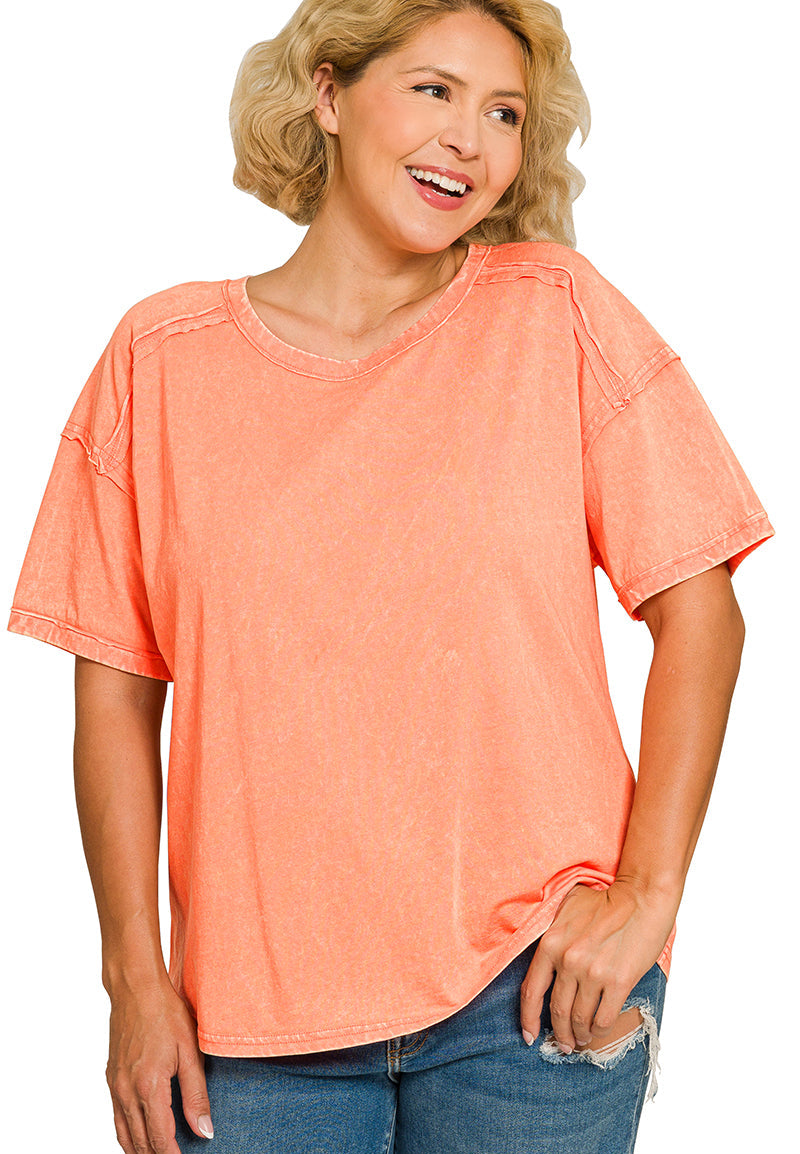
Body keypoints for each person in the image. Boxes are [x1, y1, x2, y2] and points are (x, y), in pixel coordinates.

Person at [6, 1, 775, 1151]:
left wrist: (647, 896)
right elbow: (116, 689)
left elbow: (699, 612)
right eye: (432, 90)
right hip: (249, 1019)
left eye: (502, 111)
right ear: (325, 94)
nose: (469, 137)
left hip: (531, 996)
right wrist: (133, 981)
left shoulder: (552, 313)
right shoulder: (161, 363)